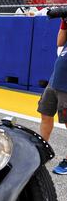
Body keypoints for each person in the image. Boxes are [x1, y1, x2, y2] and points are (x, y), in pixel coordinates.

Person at [37, 17, 67, 174]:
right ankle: (43, 148)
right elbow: (60, 42)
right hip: (55, 80)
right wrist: (64, 22)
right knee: (45, 114)